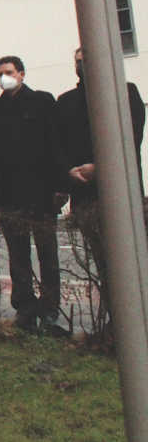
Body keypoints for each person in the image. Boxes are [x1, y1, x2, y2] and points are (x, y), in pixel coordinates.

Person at [0, 55, 67, 336]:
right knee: (18, 258)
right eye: (0, 73)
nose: (4, 77)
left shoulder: (43, 101)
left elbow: (56, 146)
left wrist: (61, 186)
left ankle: (50, 309)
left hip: (41, 194)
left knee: (48, 256)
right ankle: (25, 310)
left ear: (21, 74)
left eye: (9, 72)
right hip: (9, 195)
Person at [55, 47, 146, 319]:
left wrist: (100, 167)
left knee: (134, 262)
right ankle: (116, 322)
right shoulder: (66, 102)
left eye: (88, 60)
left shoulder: (126, 92)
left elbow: (131, 138)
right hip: (85, 196)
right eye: (78, 61)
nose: (82, 65)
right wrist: (68, 172)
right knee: (104, 264)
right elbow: (58, 146)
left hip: (123, 193)